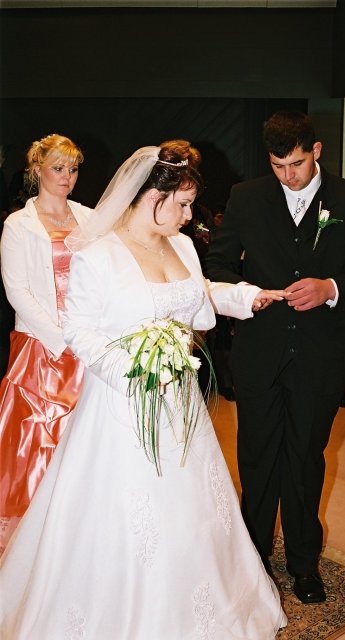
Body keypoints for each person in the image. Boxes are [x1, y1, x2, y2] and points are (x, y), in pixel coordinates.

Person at [0, 140, 287, 638]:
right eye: (183, 204)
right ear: (153, 197)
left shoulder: (182, 245)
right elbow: (80, 331)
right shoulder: (99, 254)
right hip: (120, 406)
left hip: (179, 402)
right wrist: (132, 375)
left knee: (193, 513)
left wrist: (247, 296)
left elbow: (196, 297)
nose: (190, 215)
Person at [206, 111, 345, 604]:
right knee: (256, 458)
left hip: (320, 355)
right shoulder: (246, 197)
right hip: (259, 353)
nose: (287, 176)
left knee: (306, 459)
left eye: (296, 164)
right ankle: (254, 560)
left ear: (316, 152)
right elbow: (218, 266)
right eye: (277, 166)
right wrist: (248, 295)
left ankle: (304, 564)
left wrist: (332, 287)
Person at [0, 133, 92, 553]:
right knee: (36, 443)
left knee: (87, 444)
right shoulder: (17, 225)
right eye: (58, 168)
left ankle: (79, 537)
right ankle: (34, 541)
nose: (66, 177)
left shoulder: (91, 218)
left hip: (88, 344)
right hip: (42, 349)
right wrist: (61, 339)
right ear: (37, 170)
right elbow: (17, 292)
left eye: (73, 169)